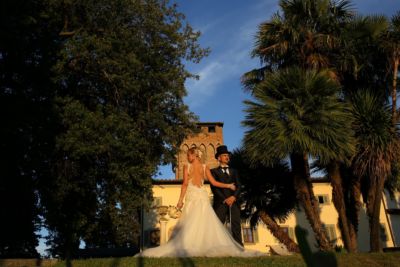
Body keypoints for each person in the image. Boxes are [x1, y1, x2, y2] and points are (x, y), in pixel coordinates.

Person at [136, 147, 261, 257]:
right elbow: (214, 182)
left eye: (188, 155)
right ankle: (204, 245)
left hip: (192, 195)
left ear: (194, 155)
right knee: (203, 220)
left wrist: (180, 201)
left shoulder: (187, 167)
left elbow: (185, 184)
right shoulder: (205, 167)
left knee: (190, 220)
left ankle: (191, 245)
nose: (187, 157)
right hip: (202, 195)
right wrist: (228, 185)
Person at [210, 145, 243, 246]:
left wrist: (233, 197)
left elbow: (239, 186)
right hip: (220, 202)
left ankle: (239, 247)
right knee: (218, 225)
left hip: (234, 202)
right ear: (219, 158)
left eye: (228, 155)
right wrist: (225, 199)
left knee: (236, 224)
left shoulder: (234, 171)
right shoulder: (213, 171)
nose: (227, 157)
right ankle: (217, 247)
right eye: (224, 155)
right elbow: (214, 188)